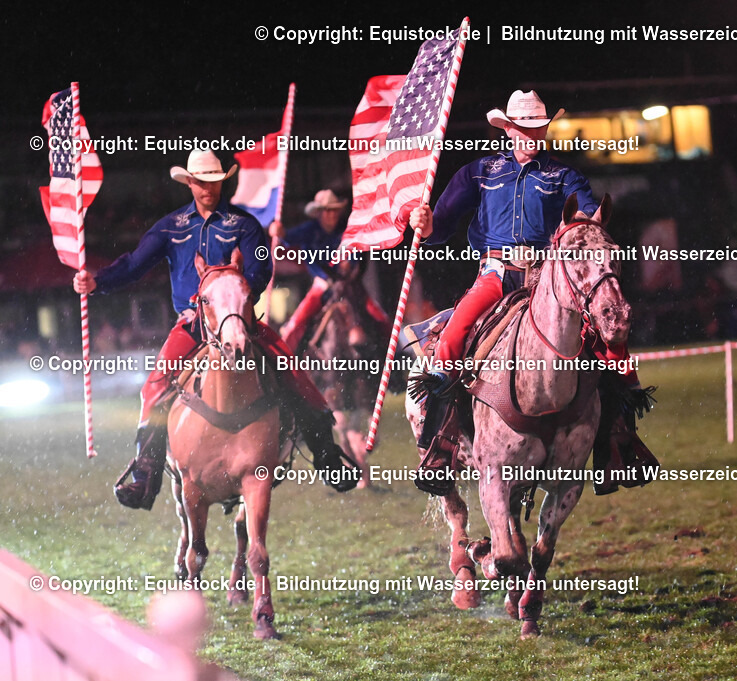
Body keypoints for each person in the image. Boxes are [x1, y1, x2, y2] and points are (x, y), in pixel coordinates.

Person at [74, 150, 359, 510]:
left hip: (241, 322)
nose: (207, 188)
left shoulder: (244, 225)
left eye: (214, 181)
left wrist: (234, 293)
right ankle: (145, 474)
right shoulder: (171, 227)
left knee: (295, 374)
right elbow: (134, 264)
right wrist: (96, 282)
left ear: (223, 182)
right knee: (154, 387)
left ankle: (327, 457)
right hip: (192, 324)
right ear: (189, 183)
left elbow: (261, 269)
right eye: (200, 181)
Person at [409, 90, 657, 495]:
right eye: (524, 128)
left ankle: (619, 446)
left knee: (610, 344)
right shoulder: (479, 172)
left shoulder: (564, 177)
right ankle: (439, 448)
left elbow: (586, 218)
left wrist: (587, 222)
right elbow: (440, 225)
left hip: (547, 278)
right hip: (495, 274)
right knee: (452, 339)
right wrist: (424, 223)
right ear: (507, 129)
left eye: (538, 128)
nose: (531, 135)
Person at [270, 189, 388, 351]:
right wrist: (278, 231)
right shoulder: (309, 229)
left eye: (334, 210)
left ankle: (395, 354)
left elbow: (357, 248)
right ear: (318, 212)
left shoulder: (347, 228)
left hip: (349, 284)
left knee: (380, 318)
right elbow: (287, 238)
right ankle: (286, 362)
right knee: (295, 324)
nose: (332, 214)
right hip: (322, 285)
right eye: (327, 210)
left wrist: (350, 263)